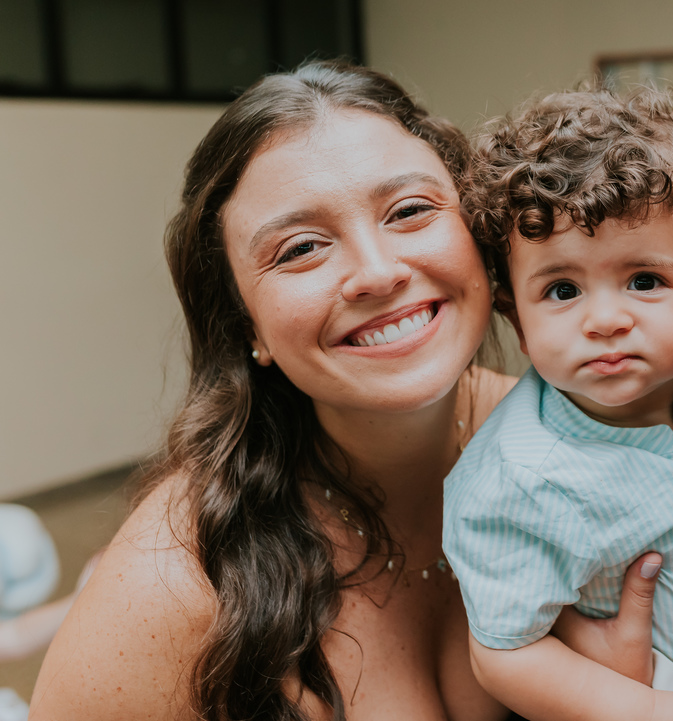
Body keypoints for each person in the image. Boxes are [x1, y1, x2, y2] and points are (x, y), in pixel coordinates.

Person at [28, 61, 529, 721]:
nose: (377, 272)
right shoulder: (172, 587)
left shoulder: (567, 439)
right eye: (300, 249)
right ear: (247, 325)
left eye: (410, 210)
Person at [445, 88, 673, 719]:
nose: (604, 320)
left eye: (644, 281)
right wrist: (644, 711)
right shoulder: (517, 483)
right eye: (563, 289)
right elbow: (503, 652)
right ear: (517, 319)